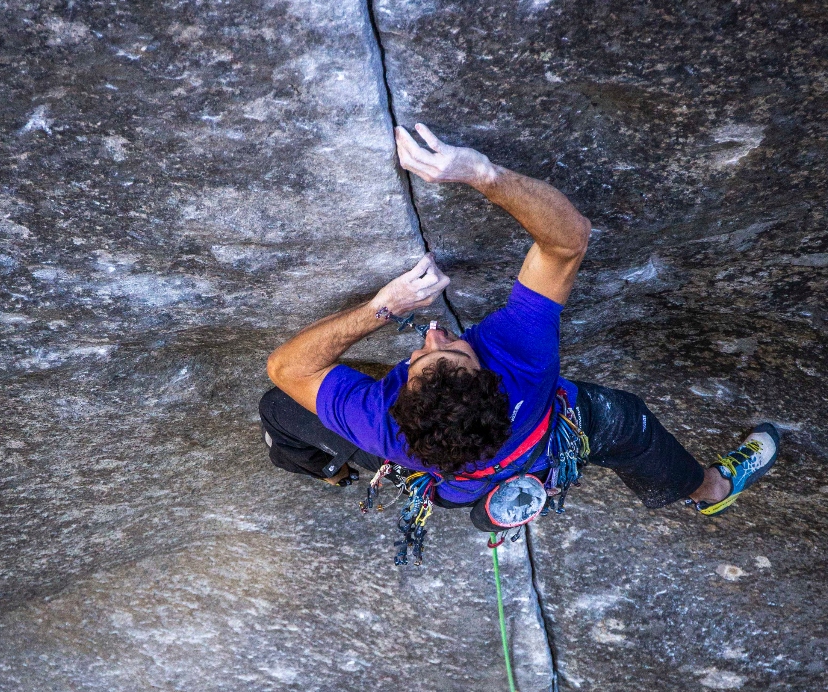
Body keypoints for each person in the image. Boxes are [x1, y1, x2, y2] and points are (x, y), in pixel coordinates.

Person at [260, 123, 780, 543]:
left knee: (280, 409)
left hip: (458, 482)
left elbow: (287, 369)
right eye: (451, 350)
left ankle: (333, 470)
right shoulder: (521, 364)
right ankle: (711, 489)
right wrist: (481, 173)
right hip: (550, 432)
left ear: (396, 407)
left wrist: (382, 308)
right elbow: (567, 242)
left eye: (423, 355)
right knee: (628, 423)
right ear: (490, 376)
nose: (436, 334)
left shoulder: (380, 425)